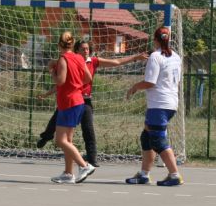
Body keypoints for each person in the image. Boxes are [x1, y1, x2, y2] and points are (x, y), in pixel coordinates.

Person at [37, 40, 148, 167]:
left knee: (88, 129)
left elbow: (116, 62)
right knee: (55, 121)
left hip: (84, 101)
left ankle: (91, 159)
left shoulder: (94, 61)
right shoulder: (70, 61)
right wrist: (46, 93)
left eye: (87, 49)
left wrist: (135, 57)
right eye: (83, 49)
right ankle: (47, 137)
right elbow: (61, 83)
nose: (86, 51)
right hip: (71, 99)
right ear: (76, 50)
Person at [125, 26, 183, 186]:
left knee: (157, 140)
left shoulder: (155, 57)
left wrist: (134, 87)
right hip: (170, 103)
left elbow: (150, 82)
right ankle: (144, 174)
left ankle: (174, 175)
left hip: (159, 105)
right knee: (147, 136)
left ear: (155, 40)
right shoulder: (176, 57)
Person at [49, 31, 96, 184]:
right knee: (68, 140)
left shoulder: (63, 59)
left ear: (59, 44)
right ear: (72, 44)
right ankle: (69, 173)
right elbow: (88, 77)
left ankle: (84, 165)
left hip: (68, 102)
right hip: (78, 101)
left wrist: (52, 71)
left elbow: (60, 81)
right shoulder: (78, 58)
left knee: (60, 140)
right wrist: (76, 84)